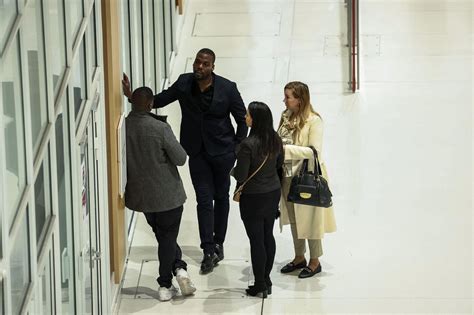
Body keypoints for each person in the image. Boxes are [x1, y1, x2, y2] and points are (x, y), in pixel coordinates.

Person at [122, 48, 248, 274]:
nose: (200, 67)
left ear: (213, 67)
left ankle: (219, 242)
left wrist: (237, 149)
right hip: (196, 152)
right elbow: (158, 99)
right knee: (203, 199)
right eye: (198, 62)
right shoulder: (183, 83)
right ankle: (208, 249)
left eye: (205, 64)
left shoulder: (228, 89)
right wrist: (132, 96)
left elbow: (242, 120)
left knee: (221, 197)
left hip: (222, 152)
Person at [124, 87, 196, 301]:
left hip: (142, 197)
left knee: (164, 236)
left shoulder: (122, 127)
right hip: (168, 195)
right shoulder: (160, 128)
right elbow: (181, 158)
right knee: (167, 237)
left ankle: (180, 268)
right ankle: (165, 283)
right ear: (150, 104)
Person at [277, 81, 336, 279]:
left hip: (307, 178)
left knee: (311, 221)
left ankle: (315, 261)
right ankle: (299, 257)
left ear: (300, 101)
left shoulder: (314, 121)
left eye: (288, 97)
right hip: (287, 176)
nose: (284, 100)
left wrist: (284, 150)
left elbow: (314, 152)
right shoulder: (285, 116)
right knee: (294, 220)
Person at [232, 102, 283, 298]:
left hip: (253, 196)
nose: (245, 117)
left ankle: (260, 283)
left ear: (255, 119)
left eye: (248, 115)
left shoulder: (247, 144)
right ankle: (267, 279)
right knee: (267, 235)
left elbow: (241, 175)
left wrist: (233, 170)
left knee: (256, 240)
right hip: (272, 193)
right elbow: (278, 164)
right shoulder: (275, 139)